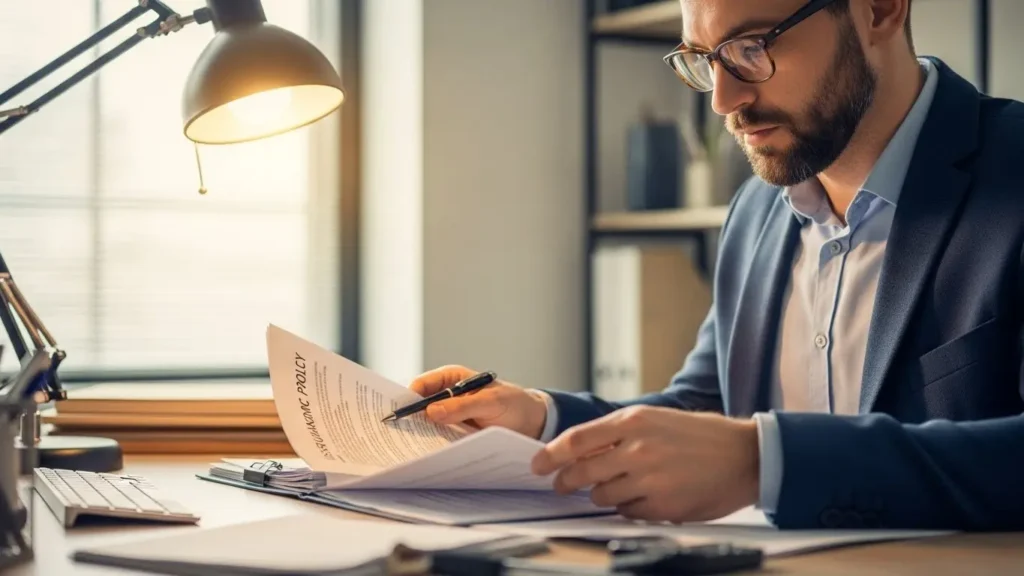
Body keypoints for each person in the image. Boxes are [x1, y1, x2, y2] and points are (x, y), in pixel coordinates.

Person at [411, 0, 1024, 531]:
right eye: (703, 60)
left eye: (752, 48)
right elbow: (705, 414)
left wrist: (765, 463)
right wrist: (542, 419)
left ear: (881, 9)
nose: (725, 100)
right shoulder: (755, 211)